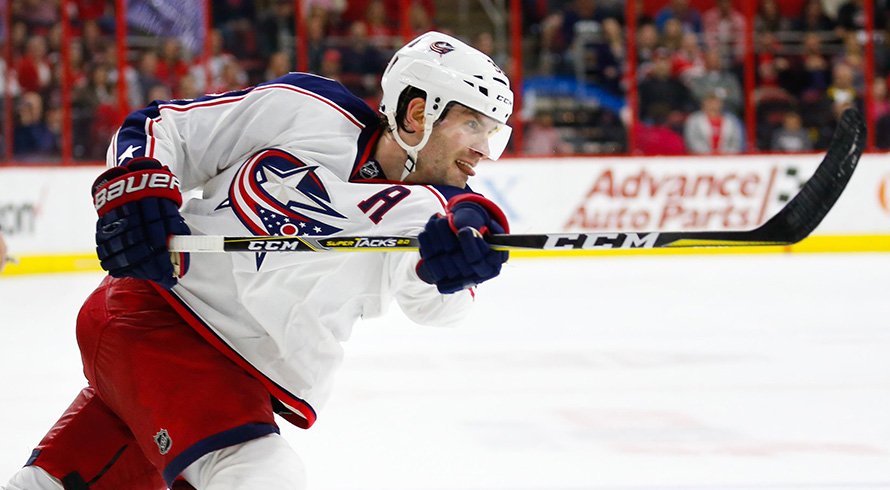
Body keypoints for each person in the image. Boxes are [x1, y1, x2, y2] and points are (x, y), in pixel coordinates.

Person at [1, 31, 513, 490]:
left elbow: (441, 305)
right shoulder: (307, 108)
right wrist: (136, 191)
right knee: (262, 477)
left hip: (217, 377)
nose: (485, 150)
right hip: (160, 319)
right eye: (473, 124)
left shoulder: (435, 212)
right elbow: (166, 129)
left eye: (495, 132)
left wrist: (454, 266)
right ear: (419, 111)